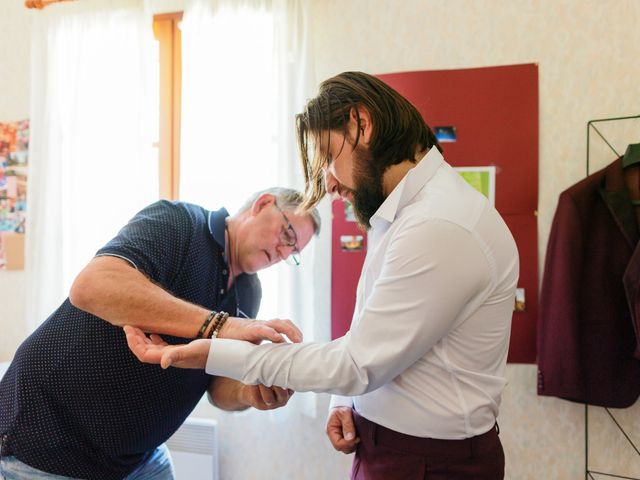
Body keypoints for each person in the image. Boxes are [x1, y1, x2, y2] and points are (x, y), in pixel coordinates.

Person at [126, 72, 519, 480]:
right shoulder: (399, 217)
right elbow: (373, 334)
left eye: (328, 157)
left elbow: (358, 364)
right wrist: (343, 402)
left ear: (361, 125)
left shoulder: (439, 224)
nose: (329, 182)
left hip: (430, 464)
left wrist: (210, 350)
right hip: (386, 448)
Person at [0, 187, 320, 480]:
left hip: (138, 458)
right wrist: (220, 325)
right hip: (46, 442)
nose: (283, 252)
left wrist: (249, 391)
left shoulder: (249, 293)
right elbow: (91, 286)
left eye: (293, 252)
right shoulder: (179, 222)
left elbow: (216, 384)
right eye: (287, 233)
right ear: (263, 204)